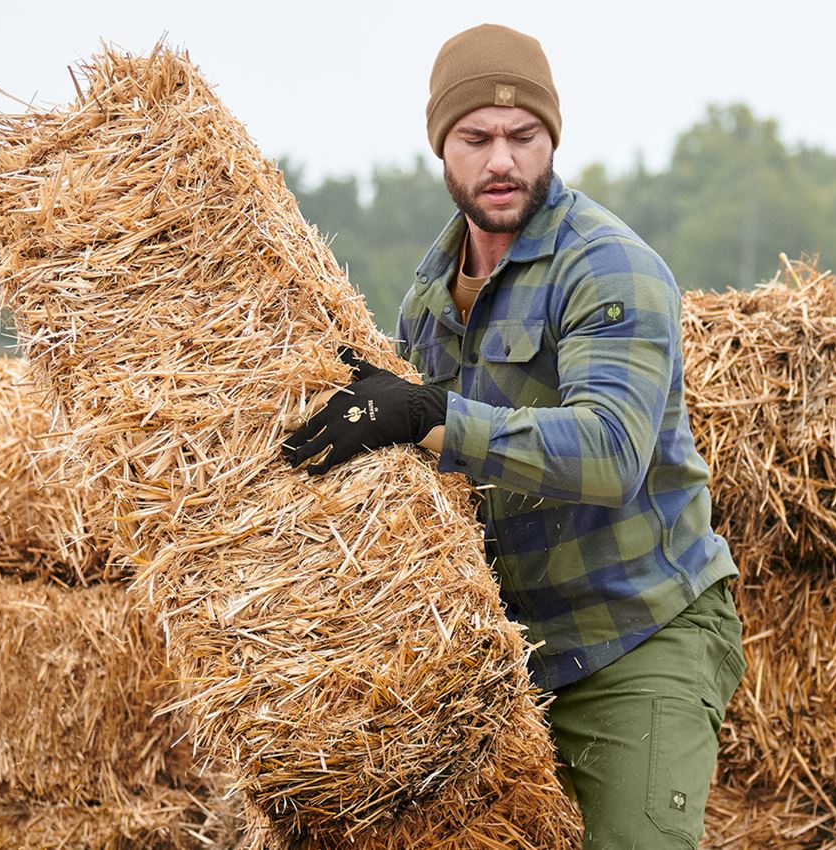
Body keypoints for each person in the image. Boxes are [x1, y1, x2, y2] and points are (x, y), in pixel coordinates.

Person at [282, 23, 745, 849]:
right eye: (476, 138)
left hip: (637, 634)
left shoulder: (608, 267)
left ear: (552, 141)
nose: (502, 159)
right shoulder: (428, 292)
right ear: (441, 149)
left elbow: (610, 453)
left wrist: (429, 417)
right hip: (508, 660)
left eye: (523, 137)